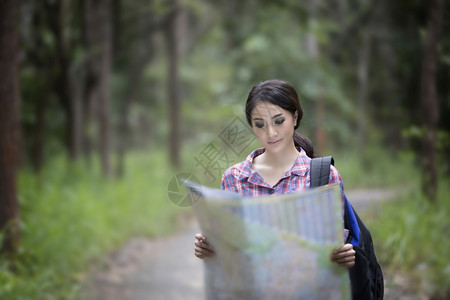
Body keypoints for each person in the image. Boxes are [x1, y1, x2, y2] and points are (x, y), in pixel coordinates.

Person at [194, 79, 355, 268]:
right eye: (260, 124)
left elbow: (333, 249)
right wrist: (209, 249)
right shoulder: (234, 179)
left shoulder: (324, 176)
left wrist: (344, 256)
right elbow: (228, 249)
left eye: (279, 121)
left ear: (295, 118)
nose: (270, 133)